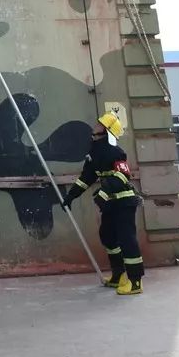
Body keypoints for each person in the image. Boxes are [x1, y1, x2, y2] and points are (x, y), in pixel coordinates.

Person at [62, 112, 144, 294]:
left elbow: (123, 175)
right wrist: (70, 196)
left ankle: (135, 281)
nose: (95, 125)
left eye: (99, 124)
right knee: (107, 236)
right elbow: (86, 179)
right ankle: (118, 275)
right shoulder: (94, 152)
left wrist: (106, 190)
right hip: (109, 205)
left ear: (106, 131)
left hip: (123, 202)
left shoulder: (116, 152)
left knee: (127, 240)